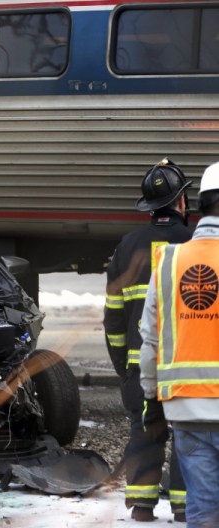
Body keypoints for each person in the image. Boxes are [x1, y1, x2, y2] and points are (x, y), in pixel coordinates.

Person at [104, 158, 191, 522]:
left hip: (141, 367)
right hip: (187, 367)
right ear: (182, 202)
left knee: (143, 431)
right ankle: (186, 506)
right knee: (189, 436)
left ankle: (141, 506)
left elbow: (113, 318)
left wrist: (124, 366)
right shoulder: (193, 242)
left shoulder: (128, 246)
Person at [140, 160, 219, 528]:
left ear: (198, 205)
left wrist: (151, 396)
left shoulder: (168, 261)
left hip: (185, 409)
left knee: (203, 509)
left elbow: (150, 340)